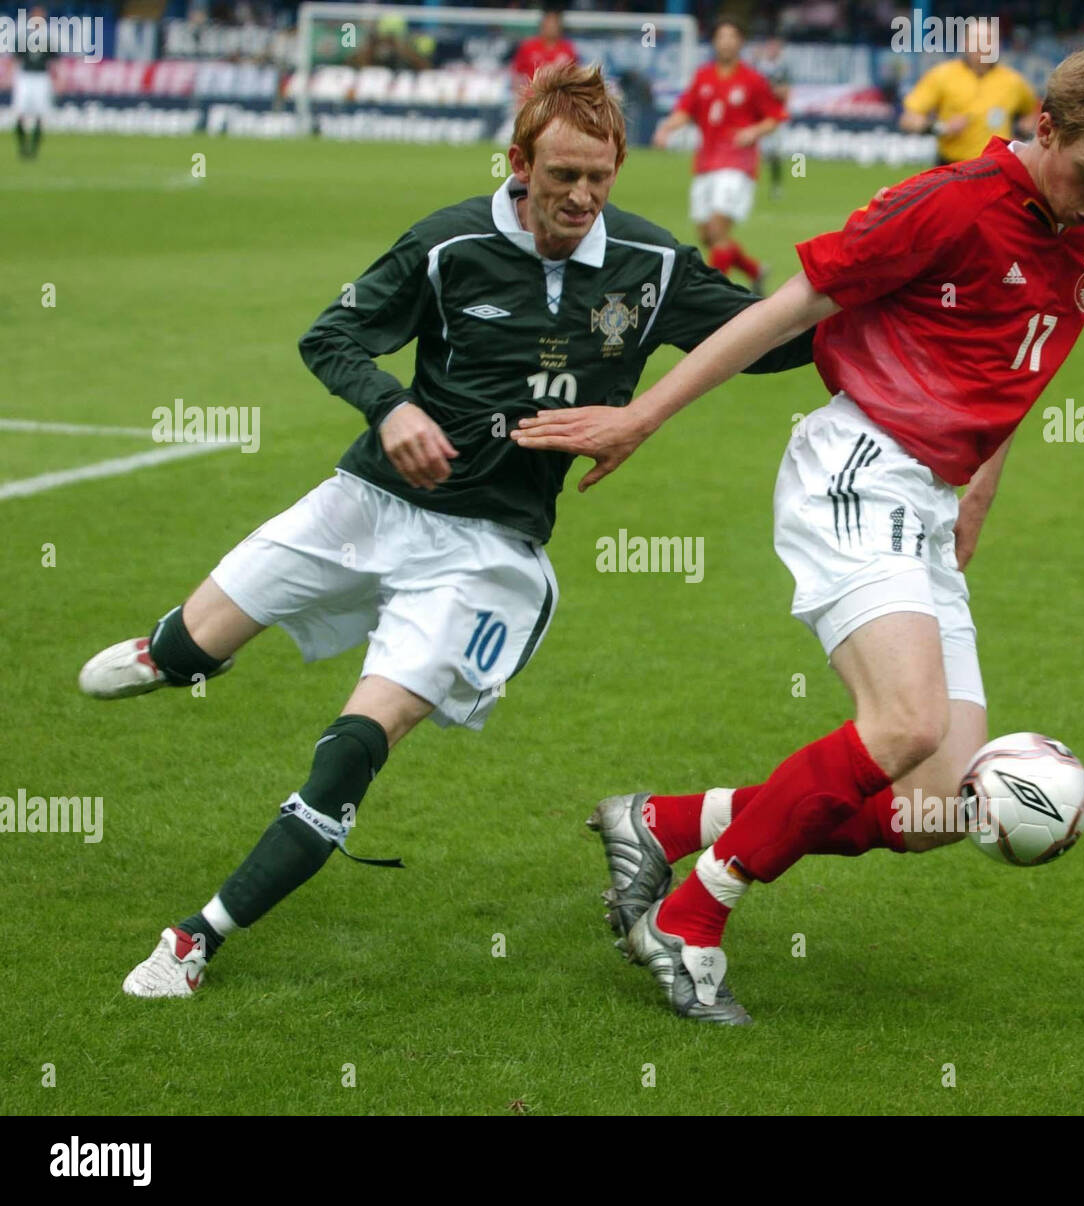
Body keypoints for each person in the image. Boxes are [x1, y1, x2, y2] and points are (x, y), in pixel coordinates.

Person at [79, 63, 813, 999]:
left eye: (600, 177)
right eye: (561, 178)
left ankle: (196, 938)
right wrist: (391, 409)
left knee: (353, 748)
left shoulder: (650, 264)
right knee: (184, 651)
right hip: (369, 503)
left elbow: (766, 338)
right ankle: (178, 656)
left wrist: (872, 290)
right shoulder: (449, 243)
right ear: (518, 162)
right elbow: (331, 337)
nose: (581, 197)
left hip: (487, 554)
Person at [512, 50, 1084, 1024]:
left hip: (930, 502)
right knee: (902, 723)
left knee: (945, 803)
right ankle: (689, 921)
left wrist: (980, 485)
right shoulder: (944, 204)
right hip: (855, 470)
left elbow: (1011, 369)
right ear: (1043, 130)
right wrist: (641, 415)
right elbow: (788, 306)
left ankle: (664, 823)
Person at [653, 19, 787, 294]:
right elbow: (685, 111)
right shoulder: (703, 77)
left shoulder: (752, 80)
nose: (726, 42)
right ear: (714, 42)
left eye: (731, 37)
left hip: (738, 166)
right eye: (721, 37)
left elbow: (776, 117)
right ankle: (755, 271)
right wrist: (667, 127)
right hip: (706, 164)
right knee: (707, 236)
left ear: (740, 43)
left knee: (716, 229)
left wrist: (753, 131)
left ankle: (714, 294)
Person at [899, 19, 1039, 165]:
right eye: (976, 40)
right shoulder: (942, 75)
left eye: (989, 40)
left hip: (996, 166)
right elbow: (908, 119)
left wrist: (1022, 132)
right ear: (964, 43)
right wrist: (941, 128)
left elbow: (1032, 112)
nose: (983, 46)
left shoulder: (1013, 82)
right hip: (952, 165)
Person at [13, 6, 56, 161]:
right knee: (20, 113)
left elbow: (53, 62)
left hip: (41, 77)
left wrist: (58, 81)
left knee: (39, 114)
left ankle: (34, 149)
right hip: (25, 77)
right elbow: (16, 60)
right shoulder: (23, 38)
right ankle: (23, 147)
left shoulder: (48, 39)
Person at [753, 36, 792, 198]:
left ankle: (776, 186)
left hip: (776, 117)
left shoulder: (783, 68)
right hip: (759, 117)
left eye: (776, 47)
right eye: (771, 46)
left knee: (775, 153)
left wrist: (770, 90)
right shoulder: (758, 66)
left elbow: (785, 92)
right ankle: (749, 182)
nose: (773, 50)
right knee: (754, 152)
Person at [511, 5, 578, 96]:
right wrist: (519, 95)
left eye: (554, 24)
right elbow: (517, 73)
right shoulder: (528, 47)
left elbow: (575, 76)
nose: (551, 27)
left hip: (559, 98)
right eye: (549, 23)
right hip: (532, 97)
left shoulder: (568, 49)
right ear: (542, 25)